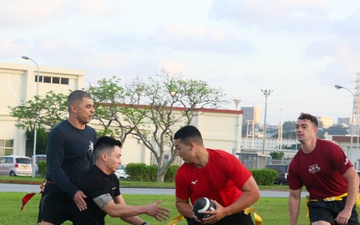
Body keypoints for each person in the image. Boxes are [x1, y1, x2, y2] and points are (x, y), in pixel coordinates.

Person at [174, 125, 260, 225]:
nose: (177, 153)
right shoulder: (182, 173)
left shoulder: (225, 160)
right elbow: (181, 203)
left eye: (178, 148)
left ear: (191, 146)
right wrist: (193, 214)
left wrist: (225, 211)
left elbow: (253, 192)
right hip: (203, 219)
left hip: (234, 214)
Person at [74, 136, 170, 225]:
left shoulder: (113, 178)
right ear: (104, 156)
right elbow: (113, 210)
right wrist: (145, 209)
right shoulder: (93, 178)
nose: (120, 161)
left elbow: (123, 210)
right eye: (117, 156)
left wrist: (143, 224)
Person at [288, 113, 360, 225]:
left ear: (314, 130)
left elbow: (354, 178)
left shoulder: (330, 149)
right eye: (297, 127)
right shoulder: (295, 164)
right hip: (318, 204)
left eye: (304, 126)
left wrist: (347, 209)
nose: (299, 130)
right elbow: (294, 196)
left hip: (342, 200)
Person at [38, 90, 97, 225]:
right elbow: (54, 168)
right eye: (88, 106)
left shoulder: (92, 133)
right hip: (58, 193)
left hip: (83, 195)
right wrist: (73, 192)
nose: (93, 110)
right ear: (74, 108)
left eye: (93, 107)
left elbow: (93, 165)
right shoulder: (58, 132)